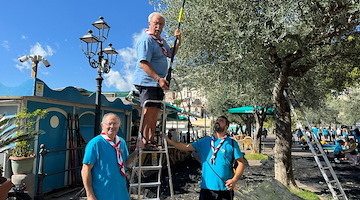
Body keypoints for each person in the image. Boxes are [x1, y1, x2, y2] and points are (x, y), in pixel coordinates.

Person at [166, 116, 246, 200]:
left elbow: (241, 163)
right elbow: (186, 147)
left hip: (225, 188)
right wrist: (169, 141)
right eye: (217, 120)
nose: (218, 121)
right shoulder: (204, 141)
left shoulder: (232, 143)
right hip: (206, 188)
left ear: (226, 127)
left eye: (221, 121)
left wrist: (234, 180)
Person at [133, 12, 181, 150]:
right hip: (148, 81)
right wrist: (158, 79)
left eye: (161, 24)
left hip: (157, 83)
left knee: (155, 111)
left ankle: (150, 140)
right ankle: (145, 141)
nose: (158, 26)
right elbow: (143, 63)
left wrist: (178, 40)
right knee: (149, 110)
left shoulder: (160, 41)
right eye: (156, 23)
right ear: (150, 24)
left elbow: (170, 53)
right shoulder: (146, 40)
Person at [81, 113, 139, 200]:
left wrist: (137, 150)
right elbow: (85, 169)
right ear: (102, 125)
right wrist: (90, 195)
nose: (112, 126)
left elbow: (125, 162)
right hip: (102, 193)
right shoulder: (95, 143)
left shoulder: (121, 142)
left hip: (121, 192)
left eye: (115, 124)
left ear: (119, 125)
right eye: (109, 123)